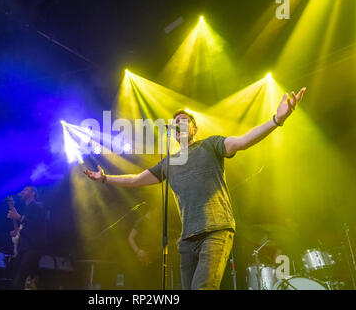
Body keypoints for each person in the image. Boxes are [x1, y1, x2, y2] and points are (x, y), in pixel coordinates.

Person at [84, 88, 305, 290]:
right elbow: (136, 180)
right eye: (175, 122)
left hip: (216, 230)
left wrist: (277, 120)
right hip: (187, 239)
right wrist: (105, 179)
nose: (178, 124)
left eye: (184, 121)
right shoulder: (168, 163)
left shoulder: (210, 145)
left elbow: (243, 141)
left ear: (194, 128)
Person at [7, 185, 47, 289]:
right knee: (18, 278)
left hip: (33, 247)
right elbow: (26, 226)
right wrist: (16, 231)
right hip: (23, 248)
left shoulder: (39, 206)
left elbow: (37, 224)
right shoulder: (27, 209)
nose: (23, 191)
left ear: (33, 193)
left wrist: (19, 218)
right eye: (23, 190)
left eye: (26, 190)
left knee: (19, 280)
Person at [128, 205, 162, 289]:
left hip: (152, 260)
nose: (158, 213)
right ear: (153, 209)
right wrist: (138, 251)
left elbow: (156, 243)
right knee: (139, 285)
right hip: (142, 259)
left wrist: (159, 248)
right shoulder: (141, 221)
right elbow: (130, 237)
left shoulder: (156, 224)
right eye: (157, 210)